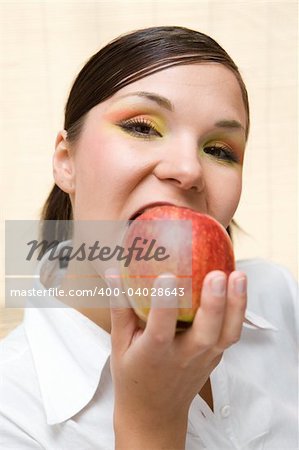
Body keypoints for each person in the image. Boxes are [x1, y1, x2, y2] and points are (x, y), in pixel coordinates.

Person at [0, 26, 298, 450]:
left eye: (219, 150)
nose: (188, 169)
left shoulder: (279, 298)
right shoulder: (10, 411)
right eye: (142, 128)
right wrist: (151, 423)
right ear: (66, 161)